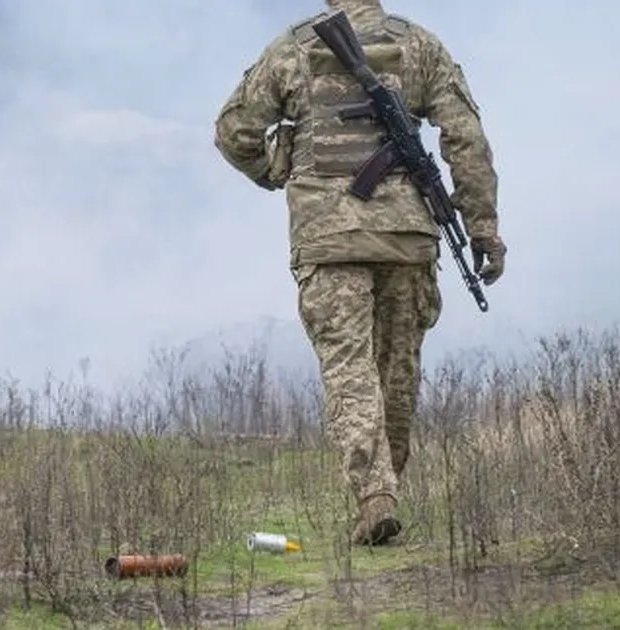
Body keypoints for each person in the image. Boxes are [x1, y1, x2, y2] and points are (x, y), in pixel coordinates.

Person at [212, 0, 506, 546]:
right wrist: (483, 228)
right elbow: (466, 140)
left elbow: (235, 132)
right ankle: (385, 493)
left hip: (328, 240)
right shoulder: (420, 45)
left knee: (350, 370)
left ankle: (376, 497)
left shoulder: (292, 46)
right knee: (397, 370)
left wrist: (277, 167)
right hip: (406, 237)